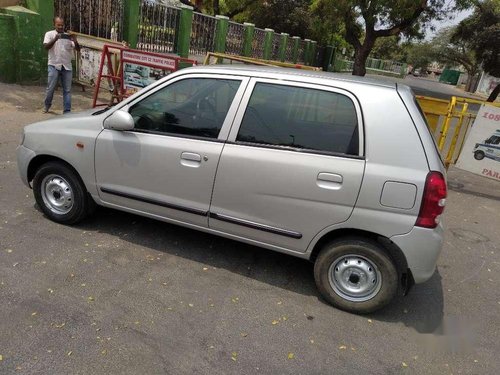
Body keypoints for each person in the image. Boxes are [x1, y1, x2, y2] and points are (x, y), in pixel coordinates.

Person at [43, 17, 80, 114]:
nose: (60, 27)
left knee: (67, 90)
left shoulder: (68, 36)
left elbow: (78, 49)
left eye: (62, 25)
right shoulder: (49, 34)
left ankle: (67, 111)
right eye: (58, 24)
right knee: (51, 88)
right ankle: (47, 105)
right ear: (54, 24)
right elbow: (46, 47)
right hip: (54, 65)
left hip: (66, 66)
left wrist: (75, 40)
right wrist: (55, 39)